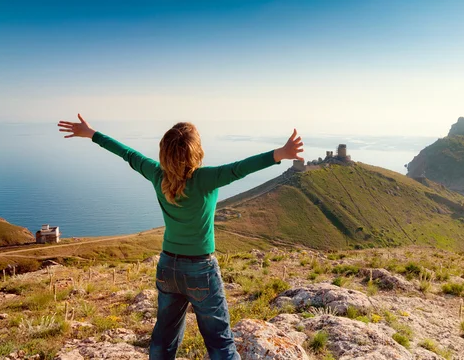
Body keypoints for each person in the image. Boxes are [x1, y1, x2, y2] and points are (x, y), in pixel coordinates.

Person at [58, 114, 304, 360]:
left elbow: (129, 155)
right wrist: (280, 153)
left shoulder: (157, 175)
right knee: (220, 343)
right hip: (201, 270)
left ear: (164, 153)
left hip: (168, 268)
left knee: (163, 340)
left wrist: (92, 134)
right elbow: (239, 168)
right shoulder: (205, 179)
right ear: (197, 152)